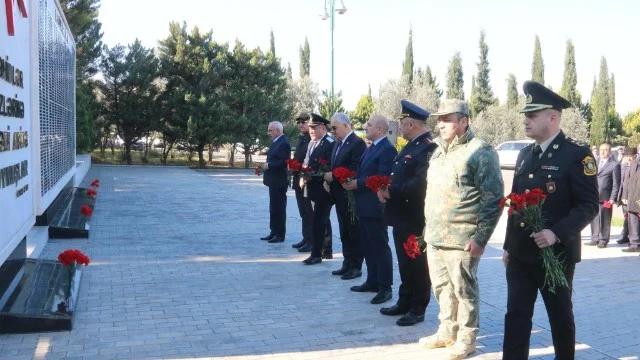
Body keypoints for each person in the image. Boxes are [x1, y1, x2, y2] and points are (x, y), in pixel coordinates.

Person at [502, 81, 598, 359]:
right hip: (521, 254)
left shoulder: (576, 154)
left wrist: (556, 233)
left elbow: (588, 205)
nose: (525, 121)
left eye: (532, 116)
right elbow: (516, 202)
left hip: (555, 254)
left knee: (559, 317)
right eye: (525, 116)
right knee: (516, 316)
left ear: (552, 117)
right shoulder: (525, 154)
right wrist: (508, 245)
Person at [418, 99, 503, 360]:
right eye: (439, 119)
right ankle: (447, 331)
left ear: (464, 121)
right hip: (435, 237)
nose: (440, 124)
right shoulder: (439, 151)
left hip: (463, 239)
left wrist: (481, 238)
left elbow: (493, 199)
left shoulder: (481, 152)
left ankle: (467, 338)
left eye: (447, 119)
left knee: (464, 291)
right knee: (442, 288)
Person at [377, 100, 437, 327]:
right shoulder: (410, 145)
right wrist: (385, 189)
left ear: (411, 123)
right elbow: (398, 174)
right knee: (404, 262)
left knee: (417, 264)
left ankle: (417, 308)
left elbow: (421, 183)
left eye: (402, 123)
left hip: (414, 216)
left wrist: (390, 191)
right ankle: (404, 301)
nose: (400, 128)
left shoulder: (429, 148)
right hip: (400, 215)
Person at [343, 115, 397, 305]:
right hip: (363, 205)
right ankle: (372, 280)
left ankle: (385, 287)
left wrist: (358, 183)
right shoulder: (372, 147)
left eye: (370, 125)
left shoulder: (387, 149)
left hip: (375, 205)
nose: (366, 127)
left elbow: (383, 177)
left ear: (380, 129)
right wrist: (351, 179)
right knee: (367, 245)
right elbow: (364, 171)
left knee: (380, 246)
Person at [324, 113, 367, 280]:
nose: (332, 131)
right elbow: (334, 164)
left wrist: (333, 176)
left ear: (346, 126)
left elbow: (355, 169)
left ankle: (356, 266)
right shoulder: (337, 143)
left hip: (350, 196)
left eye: (334, 128)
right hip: (339, 195)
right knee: (344, 231)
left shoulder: (357, 143)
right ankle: (346, 263)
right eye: (331, 129)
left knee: (353, 231)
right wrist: (328, 179)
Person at [300, 113, 335, 265]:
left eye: (314, 128)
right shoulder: (313, 143)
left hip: (323, 190)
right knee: (320, 220)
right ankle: (324, 250)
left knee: (320, 220)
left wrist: (312, 175)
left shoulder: (329, 143)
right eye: (310, 128)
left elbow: (329, 168)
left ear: (322, 127)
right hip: (313, 188)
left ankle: (317, 253)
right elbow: (309, 163)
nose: (311, 130)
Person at [260, 121, 291, 243]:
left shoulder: (284, 143)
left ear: (278, 130)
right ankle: (273, 231)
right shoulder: (277, 142)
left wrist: (269, 165)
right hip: (273, 181)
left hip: (279, 181)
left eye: (270, 130)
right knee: (273, 208)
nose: (268, 133)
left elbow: (283, 162)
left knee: (279, 208)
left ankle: (280, 234)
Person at [586, 143, 620, 248]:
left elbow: (616, 183)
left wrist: (612, 198)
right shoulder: (594, 162)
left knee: (605, 218)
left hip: (606, 198)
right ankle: (595, 238)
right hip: (594, 196)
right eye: (601, 150)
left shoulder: (614, 165)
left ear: (609, 151)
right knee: (594, 218)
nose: (602, 152)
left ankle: (603, 240)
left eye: (605, 150)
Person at [291, 114, 313, 250]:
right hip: (297, 177)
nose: (301, 125)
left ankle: (311, 240)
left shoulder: (312, 139)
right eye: (299, 122)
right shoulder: (301, 138)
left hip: (306, 179)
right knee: (303, 211)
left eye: (303, 122)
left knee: (309, 211)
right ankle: (306, 237)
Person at [617, 147, 637, 245]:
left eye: (631, 156)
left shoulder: (637, 167)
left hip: (634, 197)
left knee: (634, 219)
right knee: (627, 218)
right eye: (627, 156)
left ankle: (634, 239)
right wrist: (621, 196)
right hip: (624, 196)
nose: (629, 158)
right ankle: (627, 236)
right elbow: (622, 182)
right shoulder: (624, 166)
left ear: (635, 156)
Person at [622, 149, 640, 253]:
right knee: (632, 221)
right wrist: (625, 196)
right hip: (632, 197)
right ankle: (634, 243)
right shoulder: (634, 163)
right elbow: (627, 181)